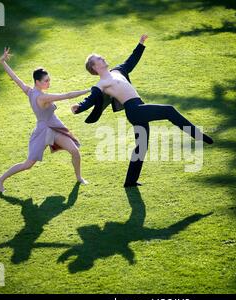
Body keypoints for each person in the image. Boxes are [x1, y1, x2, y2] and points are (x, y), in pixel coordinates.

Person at [71, 35, 213, 187]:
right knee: (169, 110)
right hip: (135, 110)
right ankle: (197, 135)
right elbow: (91, 99)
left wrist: (140, 44)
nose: (103, 58)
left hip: (139, 107)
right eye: (99, 58)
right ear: (94, 67)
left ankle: (130, 182)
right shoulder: (101, 84)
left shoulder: (118, 71)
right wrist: (79, 107)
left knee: (141, 147)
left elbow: (131, 61)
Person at [0, 47, 89, 193]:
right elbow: (68, 95)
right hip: (44, 132)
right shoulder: (43, 97)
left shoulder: (29, 91)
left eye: (49, 80)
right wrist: (89, 91)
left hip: (54, 128)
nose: (48, 82)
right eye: (46, 81)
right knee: (28, 164)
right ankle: (0, 180)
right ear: (37, 82)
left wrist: (3, 62)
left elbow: (15, 78)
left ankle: (79, 178)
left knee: (75, 151)